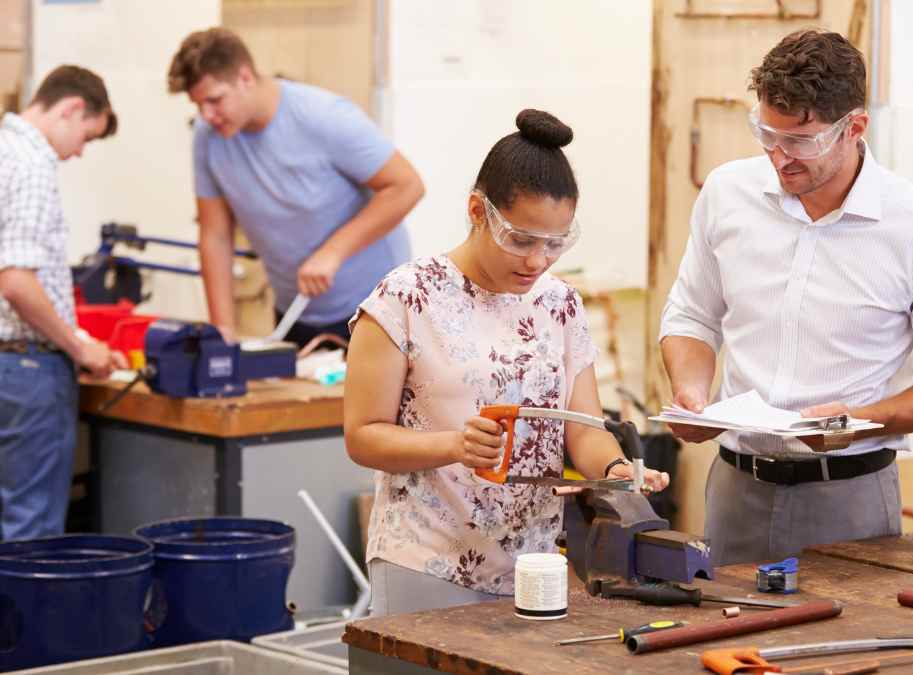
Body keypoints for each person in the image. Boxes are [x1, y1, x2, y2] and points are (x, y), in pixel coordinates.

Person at [659, 30, 913, 565]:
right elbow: (693, 316)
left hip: (849, 496)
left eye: (800, 141)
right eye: (765, 133)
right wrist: (693, 395)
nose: (778, 156)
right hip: (736, 489)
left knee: (847, 649)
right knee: (722, 636)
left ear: (855, 128)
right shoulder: (727, 194)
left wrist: (862, 419)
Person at [343, 110, 668, 614]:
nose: (537, 261)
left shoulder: (560, 304)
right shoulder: (406, 298)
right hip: (426, 559)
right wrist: (454, 445)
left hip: (535, 563)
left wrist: (616, 469)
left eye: (554, 244)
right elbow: (363, 435)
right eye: (520, 239)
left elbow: (581, 429)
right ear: (478, 210)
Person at [167, 28, 424, 346]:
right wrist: (223, 332)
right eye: (198, 105)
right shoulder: (208, 136)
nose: (206, 115)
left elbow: (407, 185)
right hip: (295, 311)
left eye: (215, 100)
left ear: (245, 77)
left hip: (376, 309)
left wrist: (333, 251)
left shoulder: (324, 117)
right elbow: (215, 235)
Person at [0, 65, 126, 541]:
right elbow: (15, 281)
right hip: (27, 371)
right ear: (72, 108)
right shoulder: (32, 166)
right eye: (86, 137)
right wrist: (79, 347)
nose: (78, 152)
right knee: (29, 532)